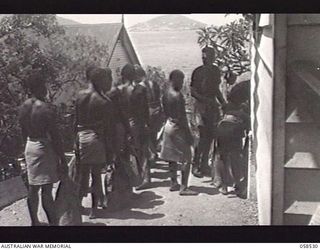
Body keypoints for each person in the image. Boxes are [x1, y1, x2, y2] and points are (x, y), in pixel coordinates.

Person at [19, 71, 68, 226]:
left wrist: (24, 151)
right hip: (42, 146)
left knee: (33, 188)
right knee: (47, 190)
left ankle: (35, 222)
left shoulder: (23, 107)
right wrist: (62, 158)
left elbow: (23, 132)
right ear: (40, 87)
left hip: (29, 145)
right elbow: (55, 136)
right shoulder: (46, 108)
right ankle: (53, 224)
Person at [74, 67, 113, 219]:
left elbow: (75, 121)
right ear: (99, 80)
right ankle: (94, 210)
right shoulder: (104, 101)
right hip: (96, 138)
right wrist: (110, 151)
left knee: (81, 175)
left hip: (81, 136)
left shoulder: (79, 96)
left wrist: (75, 140)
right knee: (96, 175)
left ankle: (77, 206)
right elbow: (108, 129)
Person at [160, 70, 198, 196]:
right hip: (177, 127)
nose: (182, 83)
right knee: (187, 157)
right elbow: (182, 117)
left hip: (168, 125)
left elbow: (164, 112)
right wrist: (188, 135)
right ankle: (184, 187)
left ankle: (173, 182)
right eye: (181, 80)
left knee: (171, 156)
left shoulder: (165, 94)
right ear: (174, 79)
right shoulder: (178, 96)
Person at [190, 46, 226, 178]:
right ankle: (195, 165)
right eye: (203, 57)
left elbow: (216, 89)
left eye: (207, 56)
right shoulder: (197, 72)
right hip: (200, 107)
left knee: (210, 137)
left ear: (213, 57)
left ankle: (204, 164)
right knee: (200, 138)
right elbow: (192, 91)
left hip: (212, 108)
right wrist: (204, 100)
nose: (204, 59)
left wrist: (223, 103)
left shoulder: (215, 71)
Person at [117, 63, 151, 191]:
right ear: (134, 75)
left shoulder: (118, 90)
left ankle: (129, 182)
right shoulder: (139, 90)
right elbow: (144, 109)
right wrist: (147, 124)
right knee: (142, 150)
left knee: (126, 152)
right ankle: (145, 178)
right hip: (137, 122)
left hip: (123, 124)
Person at [134, 65, 163, 161]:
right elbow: (158, 97)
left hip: (148, 111)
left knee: (146, 136)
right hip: (157, 110)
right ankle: (153, 155)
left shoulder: (139, 87)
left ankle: (151, 155)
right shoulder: (154, 83)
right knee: (153, 134)